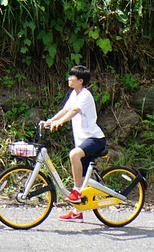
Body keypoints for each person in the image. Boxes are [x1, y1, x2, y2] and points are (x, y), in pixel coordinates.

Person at [40, 64, 106, 222]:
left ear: (80, 80)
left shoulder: (85, 95)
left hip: (95, 139)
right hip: (83, 141)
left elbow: (74, 111)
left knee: (74, 154)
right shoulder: (74, 94)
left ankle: (76, 192)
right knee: (81, 176)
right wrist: (50, 121)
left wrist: (60, 122)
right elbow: (65, 110)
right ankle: (77, 212)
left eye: (72, 77)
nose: (69, 79)